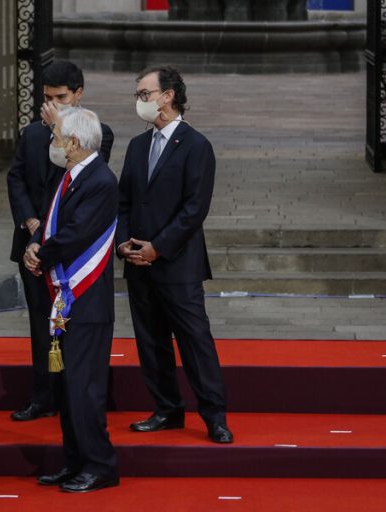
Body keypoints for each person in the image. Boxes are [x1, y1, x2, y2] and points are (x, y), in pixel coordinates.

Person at [116, 65, 233, 444]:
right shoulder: (136, 146)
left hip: (177, 263)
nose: (140, 101)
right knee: (151, 342)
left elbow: (194, 208)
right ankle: (166, 409)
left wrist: (158, 247)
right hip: (137, 261)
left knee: (194, 340)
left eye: (144, 94)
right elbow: (123, 202)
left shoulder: (196, 146)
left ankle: (214, 416)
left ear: (168, 96)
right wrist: (123, 242)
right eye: (138, 95)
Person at [7, 60, 114, 422]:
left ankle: (75, 397)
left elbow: (73, 181)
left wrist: (60, 130)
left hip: (71, 255)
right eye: (48, 98)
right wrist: (32, 222)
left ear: (78, 94)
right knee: (41, 324)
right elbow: (16, 178)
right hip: (34, 245)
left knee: (73, 328)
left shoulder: (97, 133)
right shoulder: (31, 133)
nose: (53, 103)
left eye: (62, 97)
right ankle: (43, 395)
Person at [24, 107, 119, 493]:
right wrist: (35, 246)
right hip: (67, 301)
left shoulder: (99, 180)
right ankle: (75, 460)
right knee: (67, 387)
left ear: (75, 143)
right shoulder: (71, 176)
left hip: (87, 301)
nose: (53, 143)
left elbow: (76, 234)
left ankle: (100, 464)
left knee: (84, 388)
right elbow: (53, 225)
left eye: (57, 136)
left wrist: (41, 254)